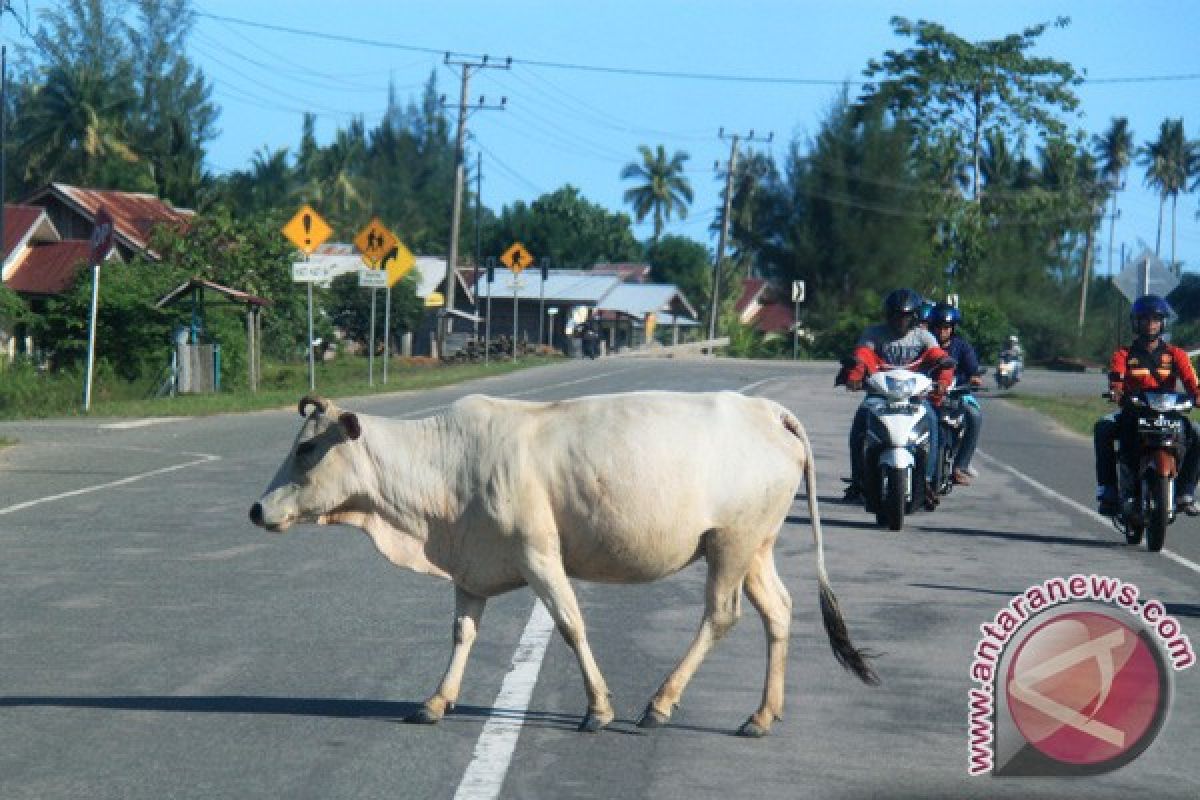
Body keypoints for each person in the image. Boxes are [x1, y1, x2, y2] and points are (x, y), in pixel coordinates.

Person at [842, 288, 954, 506]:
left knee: (931, 422)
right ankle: (858, 480)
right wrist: (854, 377)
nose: (899, 320)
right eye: (895, 314)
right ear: (888, 314)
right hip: (879, 395)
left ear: (914, 316)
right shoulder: (873, 334)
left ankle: (928, 481)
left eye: (905, 316)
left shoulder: (924, 336)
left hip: (914, 397)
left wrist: (942, 381)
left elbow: (940, 358)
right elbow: (862, 356)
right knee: (860, 422)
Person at [1094, 294, 1200, 516]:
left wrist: (1197, 396)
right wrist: (1117, 391)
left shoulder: (1176, 355)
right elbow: (1117, 379)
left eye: (1155, 319)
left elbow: (1192, 382)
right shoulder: (1124, 353)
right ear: (1136, 322)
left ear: (1162, 323)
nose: (1150, 324)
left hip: (1169, 413)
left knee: (1198, 433)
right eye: (1144, 319)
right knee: (1103, 427)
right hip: (1134, 413)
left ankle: (1186, 492)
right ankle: (1108, 490)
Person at [928, 303, 984, 485]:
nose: (942, 332)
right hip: (927, 394)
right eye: (938, 327)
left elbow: (973, 369)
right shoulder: (925, 345)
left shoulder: (962, 347)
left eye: (946, 328)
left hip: (957, 393)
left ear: (952, 329)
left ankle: (961, 465)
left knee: (974, 415)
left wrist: (974, 377)